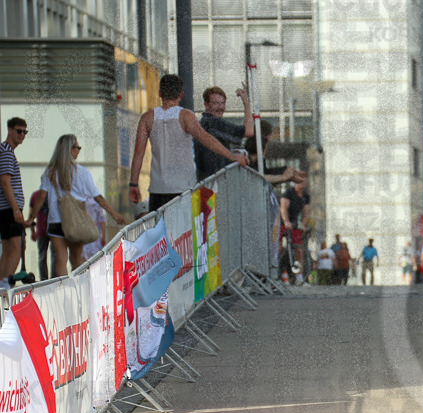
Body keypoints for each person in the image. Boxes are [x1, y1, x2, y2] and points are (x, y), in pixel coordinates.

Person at [129, 74, 248, 212]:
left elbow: (139, 153)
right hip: (184, 188)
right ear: (181, 94)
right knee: (185, 232)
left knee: (161, 231)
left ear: (160, 93)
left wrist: (133, 183)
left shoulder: (147, 118)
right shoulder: (185, 116)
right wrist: (232, 156)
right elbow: (206, 138)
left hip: (158, 189)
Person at [27, 134, 127, 276]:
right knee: (76, 259)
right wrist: (114, 214)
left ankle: (63, 293)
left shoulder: (50, 171)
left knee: (61, 260)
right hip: (74, 222)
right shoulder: (81, 172)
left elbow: (42, 196)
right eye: (77, 147)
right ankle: (78, 291)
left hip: (55, 222)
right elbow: (97, 197)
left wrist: (31, 219)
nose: (79, 150)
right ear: (69, 149)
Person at [196, 84, 254, 181]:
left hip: (203, 183)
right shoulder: (213, 122)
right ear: (206, 105)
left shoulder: (203, 122)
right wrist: (246, 104)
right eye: (216, 103)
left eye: (223, 103)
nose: (220, 107)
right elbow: (249, 131)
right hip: (212, 184)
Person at [0, 117, 28, 287]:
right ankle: (5, 284)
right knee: (17, 247)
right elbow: (5, 181)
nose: (22, 135)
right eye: (19, 131)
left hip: (6, 209)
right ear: (9, 130)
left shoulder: (6, 151)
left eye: (25, 132)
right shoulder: (6, 151)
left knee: (9, 248)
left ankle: (2, 282)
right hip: (8, 209)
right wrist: (16, 210)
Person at [280, 178, 311, 284]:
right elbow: (283, 209)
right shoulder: (289, 193)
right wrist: (286, 221)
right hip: (282, 223)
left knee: (299, 250)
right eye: (300, 182)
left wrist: (302, 225)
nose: (302, 185)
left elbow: (305, 213)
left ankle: (299, 277)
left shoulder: (306, 196)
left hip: (294, 224)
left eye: (304, 182)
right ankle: (279, 274)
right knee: (279, 248)